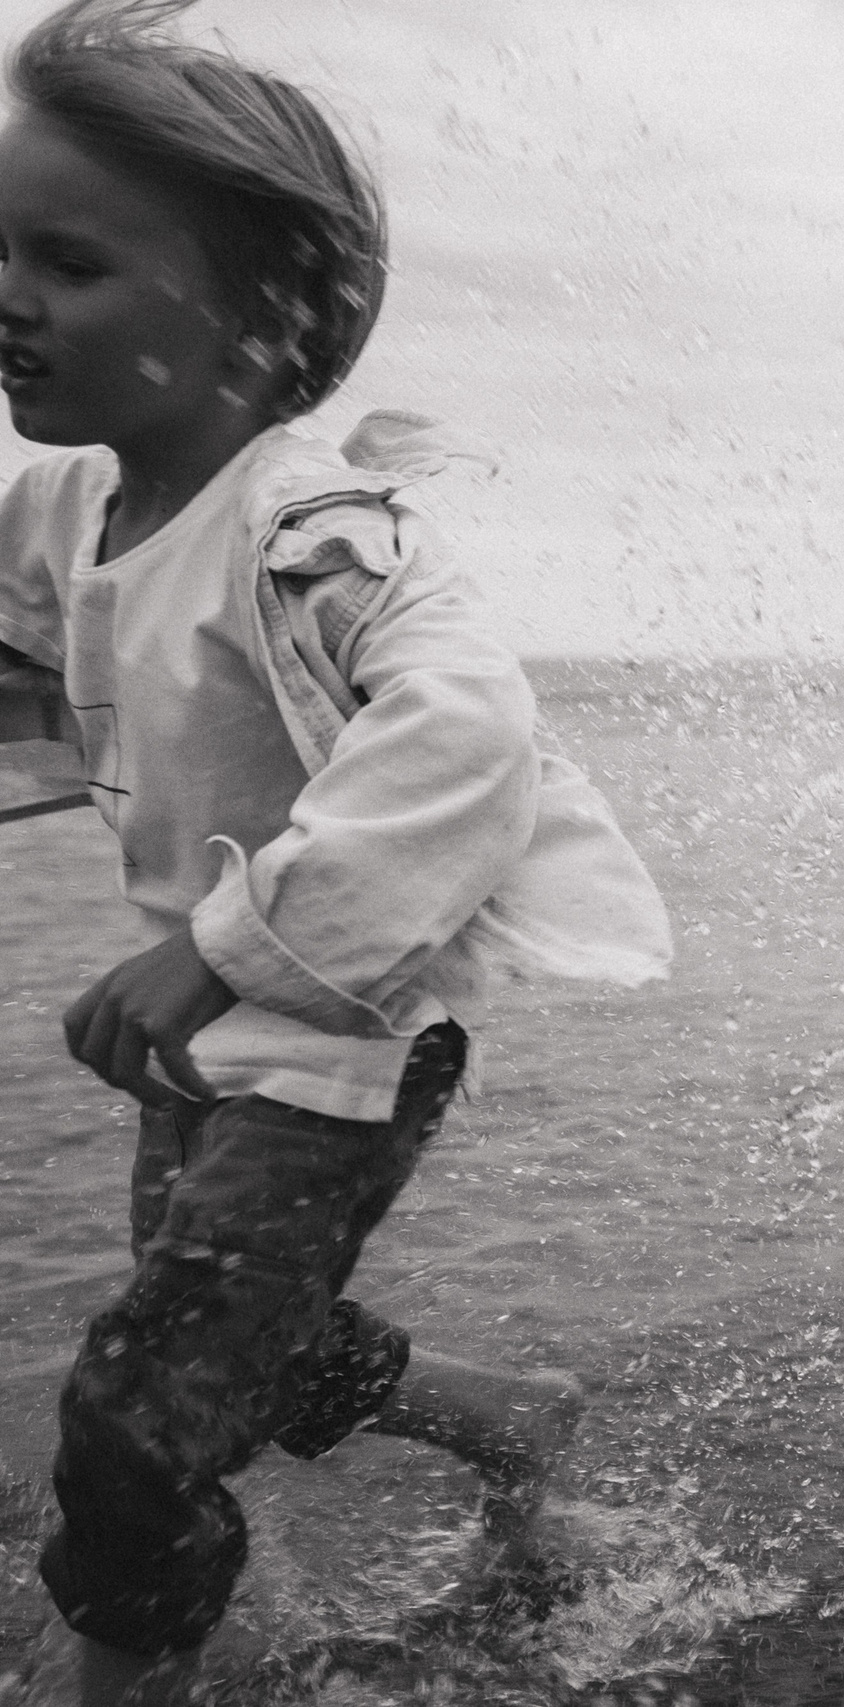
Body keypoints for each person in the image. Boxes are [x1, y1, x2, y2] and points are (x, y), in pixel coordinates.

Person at [0, 4, 670, 1701]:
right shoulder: (72, 506)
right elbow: (37, 655)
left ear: (261, 315)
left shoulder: (313, 534)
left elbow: (467, 737)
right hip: (207, 1045)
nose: (11, 296)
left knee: (135, 1417)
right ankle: (506, 1420)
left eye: (67, 263)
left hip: (340, 1040)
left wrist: (218, 947)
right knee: (240, 1351)